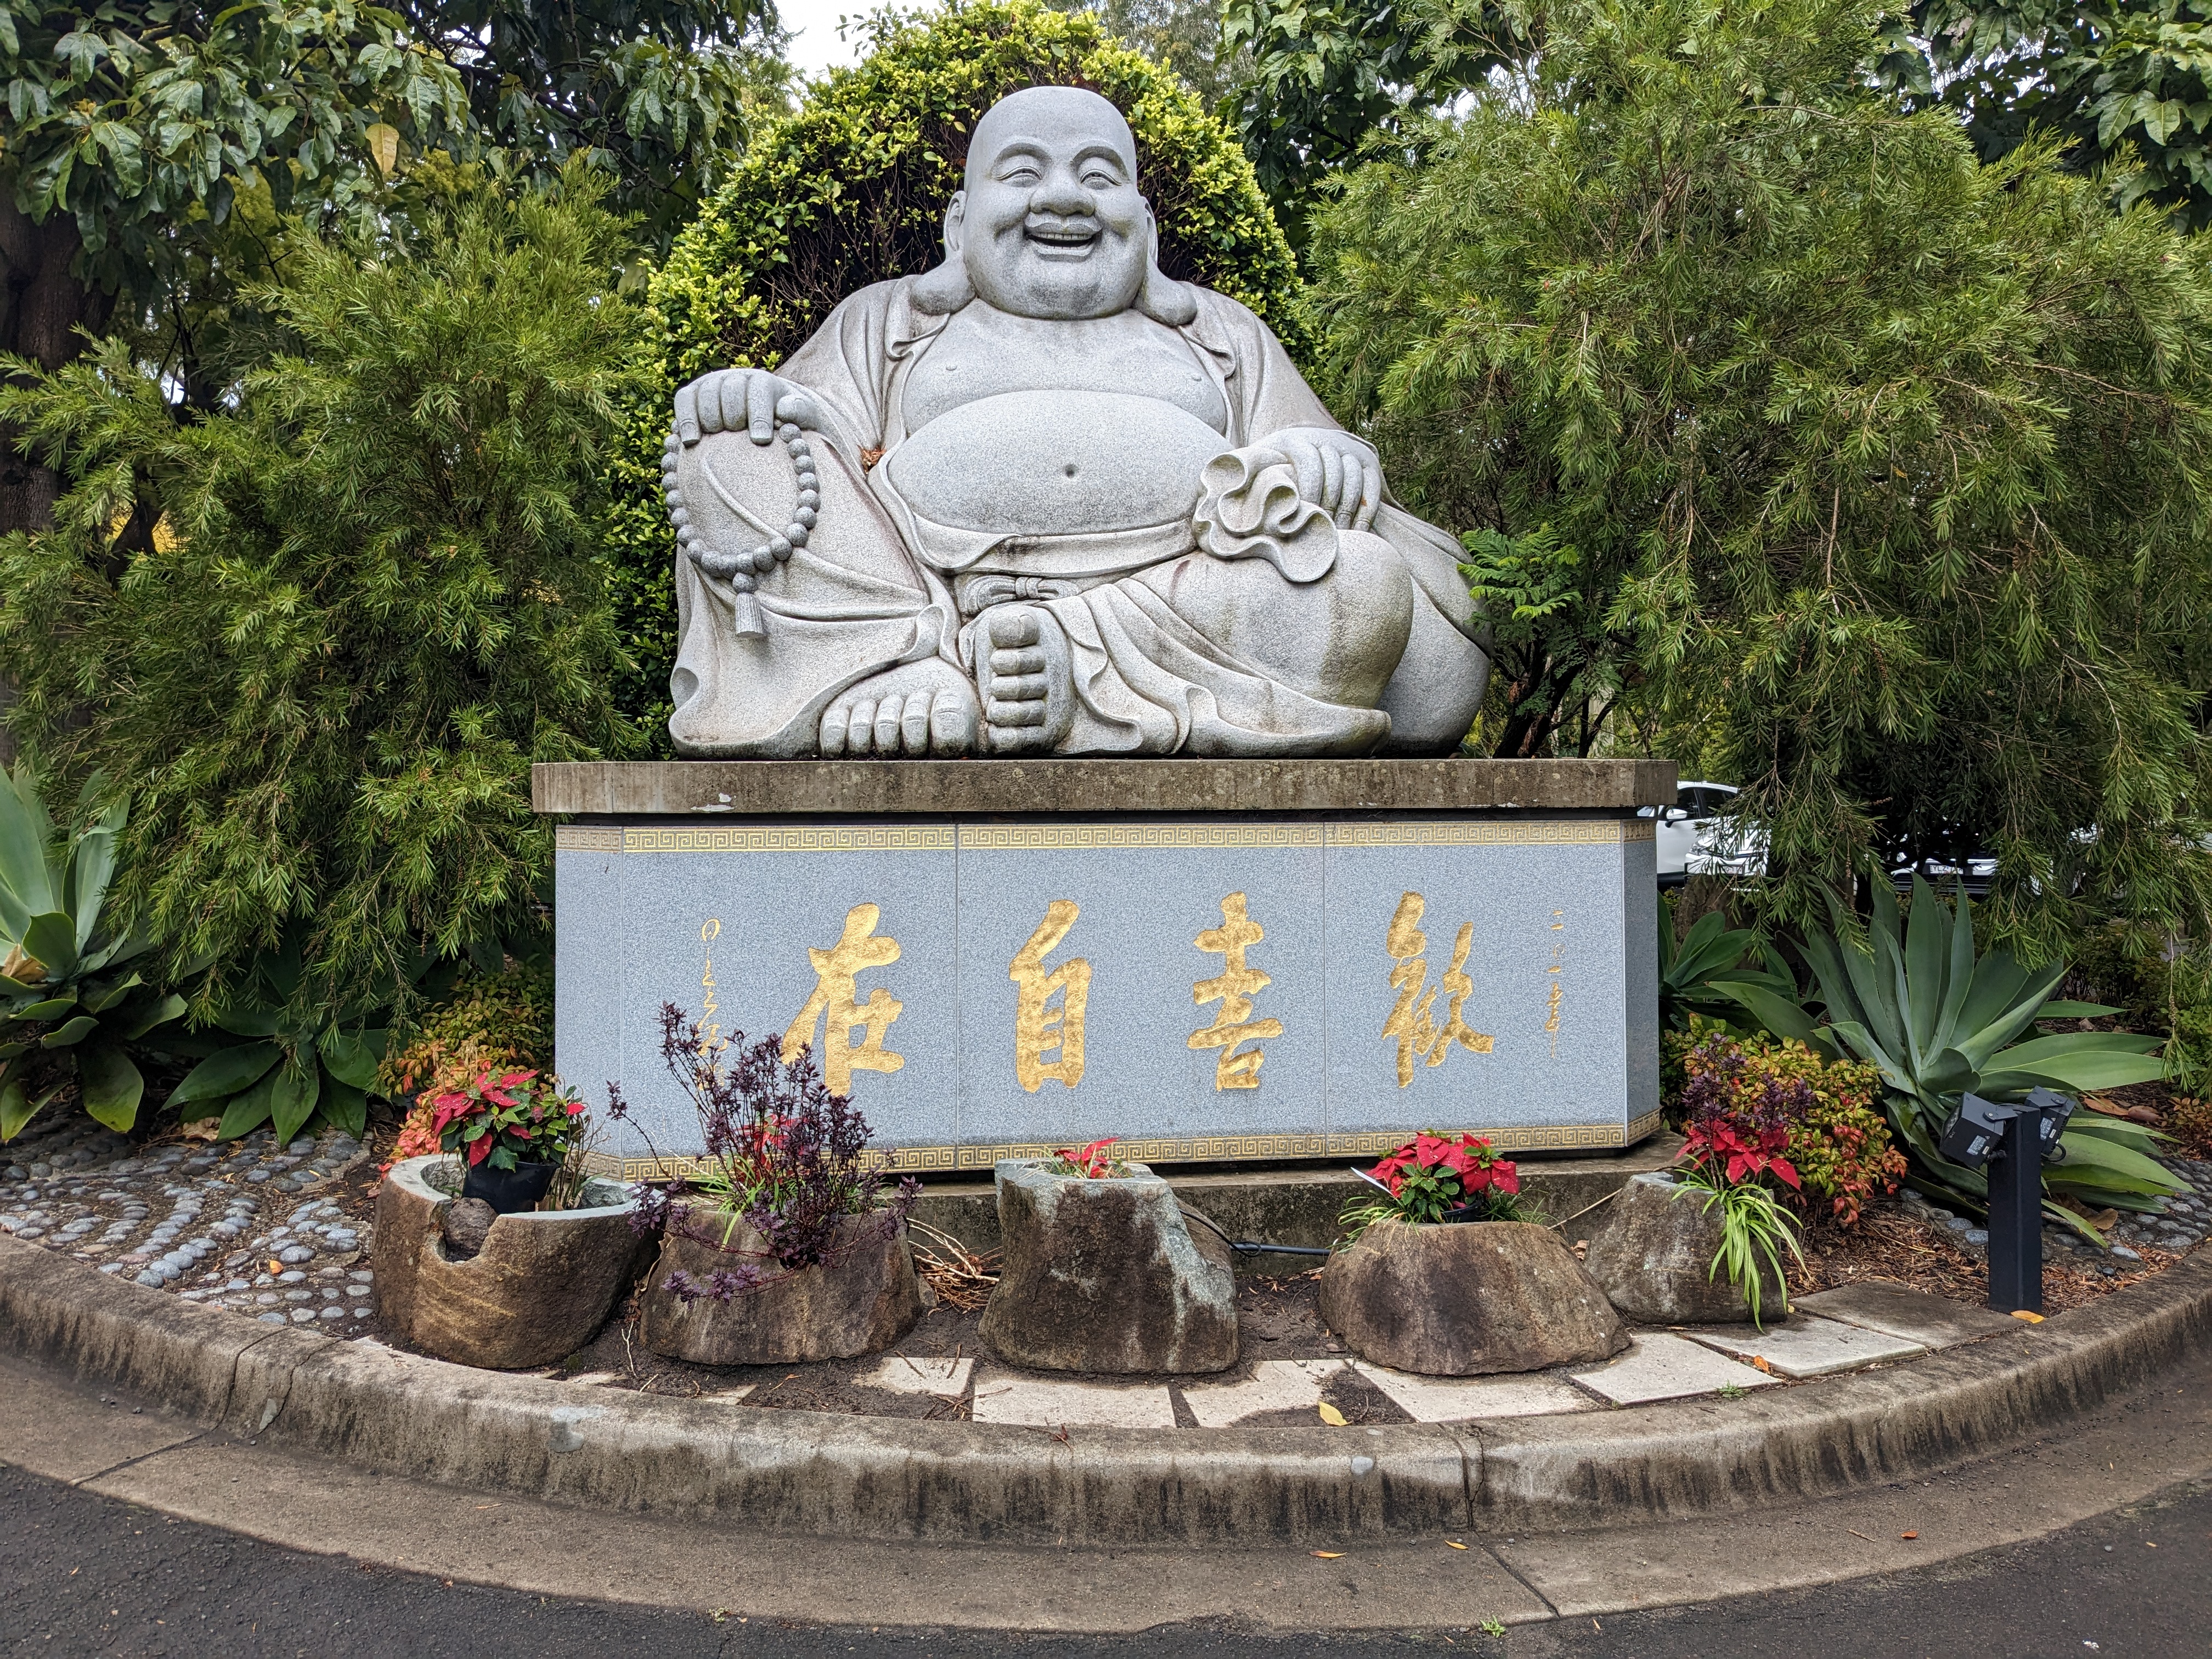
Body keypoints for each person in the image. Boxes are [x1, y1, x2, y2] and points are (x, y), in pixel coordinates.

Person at [664, 85, 1487, 758]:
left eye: (1099, 176)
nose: (1063, 196)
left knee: (1365, 585)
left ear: (1146, 226)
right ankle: (894, 667)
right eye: (1022, 173)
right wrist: (755, 400)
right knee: (727, 450)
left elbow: (1309, 470)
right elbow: (815, 439)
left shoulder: (1220, 336)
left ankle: (1057, 659)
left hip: (1173, 606)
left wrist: (1318, 456)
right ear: (959, 225)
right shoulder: (886, 323)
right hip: (919, 600)